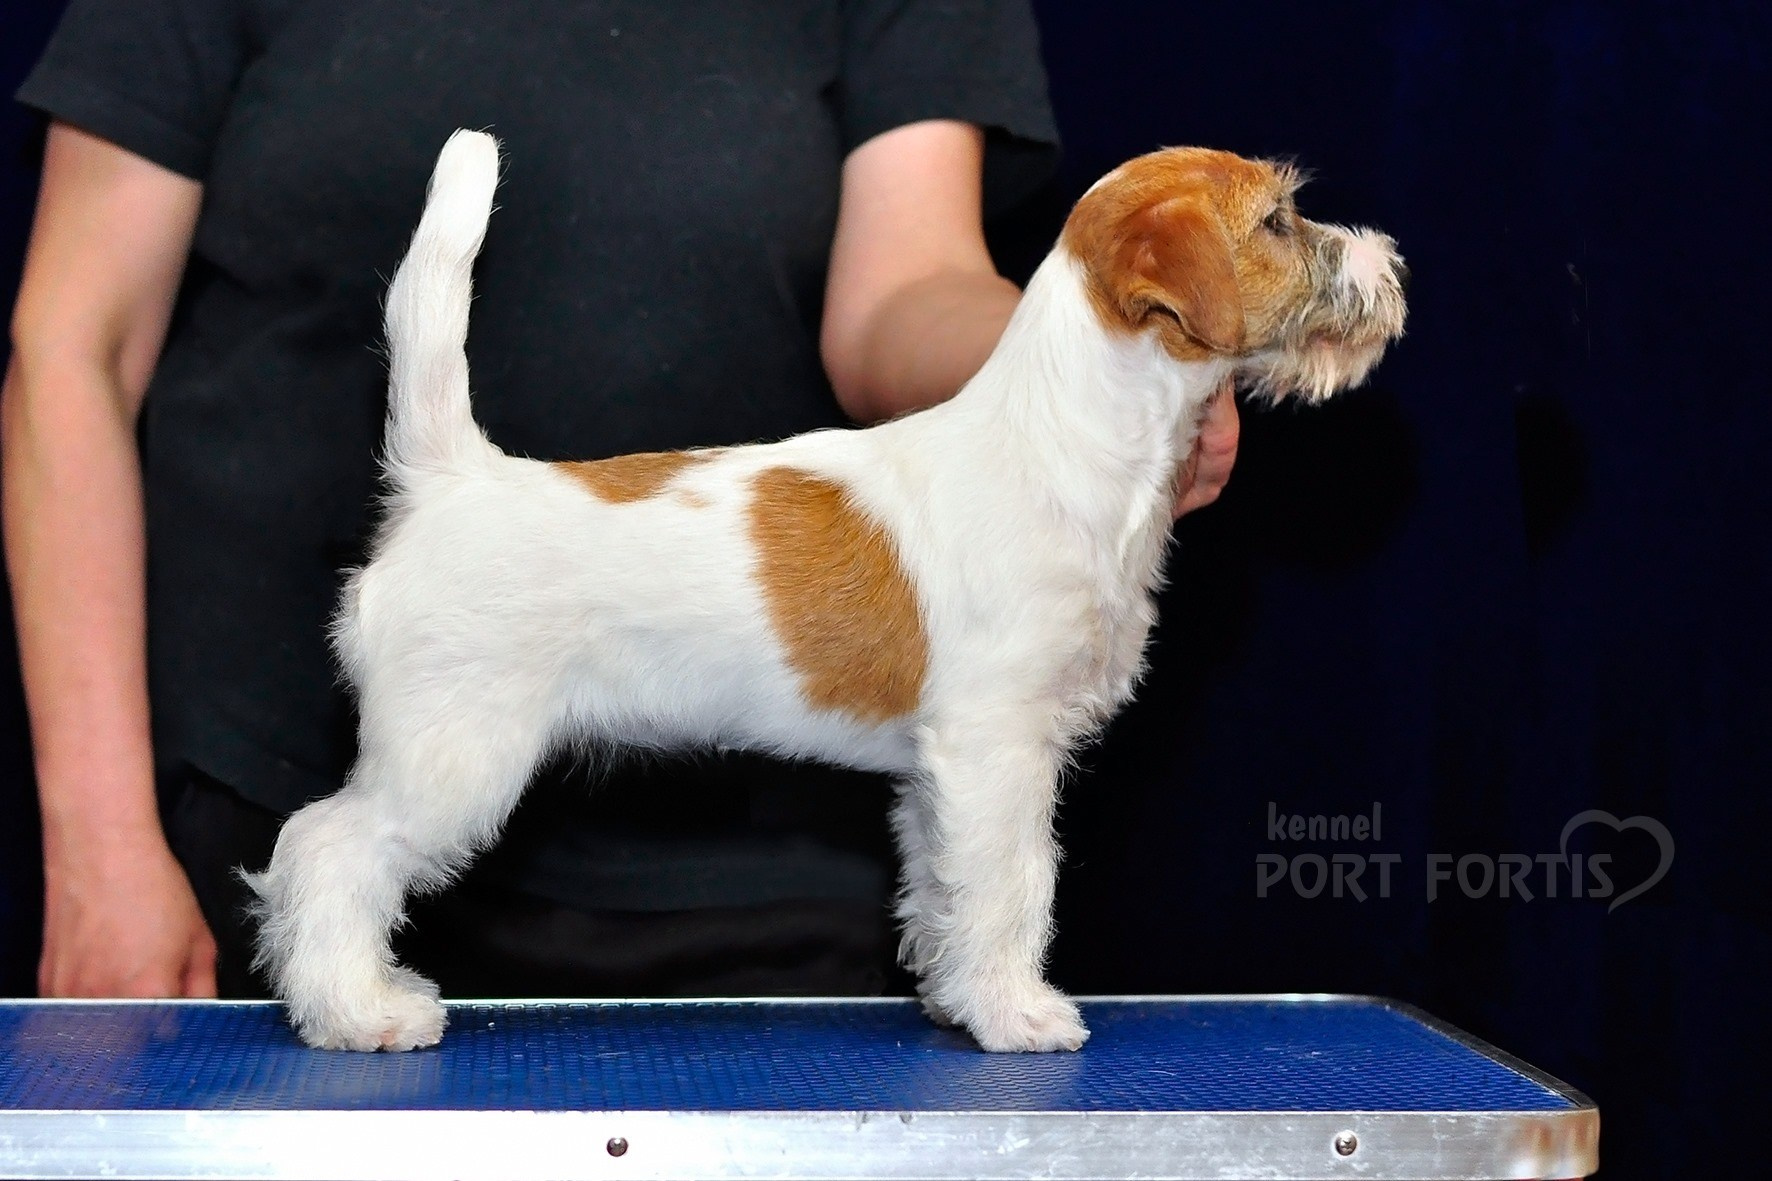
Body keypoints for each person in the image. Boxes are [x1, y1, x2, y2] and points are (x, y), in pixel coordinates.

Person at [4, 0, 1240, 1001]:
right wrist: (102, 837)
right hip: (260, 733)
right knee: (419, 805)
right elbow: (72, 344)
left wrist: (1095, 381)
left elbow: (904, 290)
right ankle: (328, 928)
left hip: (767, 883)